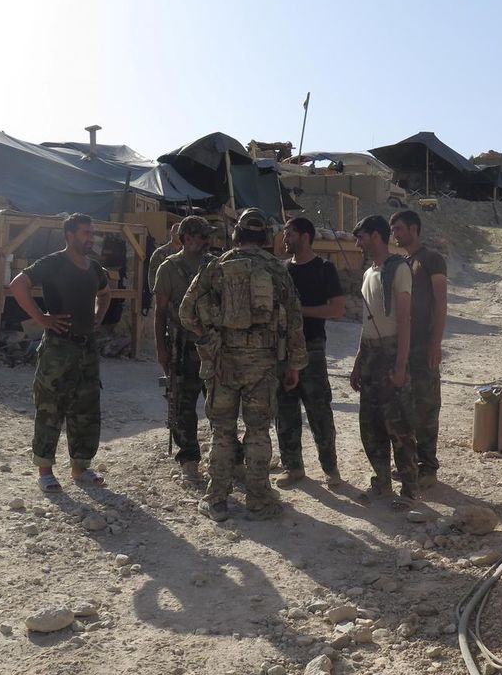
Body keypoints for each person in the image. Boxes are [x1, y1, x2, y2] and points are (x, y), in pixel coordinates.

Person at [180, 208, 308, 522]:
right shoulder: (277, 270)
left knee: (221, 432)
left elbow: (186, 313)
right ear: (265, 235)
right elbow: (293, 320)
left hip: (223, 362)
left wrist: (209, 341)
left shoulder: (216, 266)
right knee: (258, 432)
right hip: (263, 364)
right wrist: (295, 364)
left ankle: (217, 500)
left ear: (236, 233)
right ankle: (259, 500)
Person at [9, 213, 111, 493]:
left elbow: (106, 293)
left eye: (92, 233)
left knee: (86, 409)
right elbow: (18, 285)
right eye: (85, 233)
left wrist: (98, 317)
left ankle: (80, 468)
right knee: (50, 408)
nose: (90, 238)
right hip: (59, 348)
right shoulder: (53, 263)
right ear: (69, 235)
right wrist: (42, 318)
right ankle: (45, 472)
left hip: (87, 349)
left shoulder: (94, 268)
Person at [350, 215, 420, 502]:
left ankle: (409, 489)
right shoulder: (369, 273)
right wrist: (357, 361)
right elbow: (367, 323)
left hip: (391, 353)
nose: (358, 243)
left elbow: (405, 320)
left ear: (376, 236)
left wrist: (401, 366)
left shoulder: (398, 268)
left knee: (398, 424)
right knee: (371, 422)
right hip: (370, 354)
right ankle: (381, 480)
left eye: (361, 237)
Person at [275, 217, 346, 489]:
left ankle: (330, 468)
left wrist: (299, 312)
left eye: (289, 233)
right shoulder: (282, 270)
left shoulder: (324, 268)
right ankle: (293, 467)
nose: (285, 238)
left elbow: (337, 309)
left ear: (305, 237)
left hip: (312, 347)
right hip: (282, 351)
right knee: (285, 411)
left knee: (319, 411)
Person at [153, 216, 214, 485]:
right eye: (201, 236)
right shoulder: (168, 268)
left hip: (211, 346)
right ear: (187, 239)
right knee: (183, 407)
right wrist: (161, 350)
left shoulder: (214, 265)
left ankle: (228, 459)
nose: (206, 241)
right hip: (181, 346)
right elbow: (160, 313)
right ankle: (189, 460)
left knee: (220, 405)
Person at [390, 210, 448, 489]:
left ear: (414, 229)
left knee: (426, 406)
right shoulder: (403, 263)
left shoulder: (431, 259)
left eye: (399, 229)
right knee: (406, 407)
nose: (395, 234)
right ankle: (410, 465)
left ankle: (428, 467)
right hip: (405, 346)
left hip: (424, 344)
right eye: (393, 229)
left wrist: (436, 343)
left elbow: (441, 303)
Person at [148, 222, 181, 292]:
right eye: (178, 233)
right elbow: (153, 274)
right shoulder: (161, 252)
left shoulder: (186, 253)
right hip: (164, 294)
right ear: (171, 233)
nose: (180, 236)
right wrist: (156, 293)